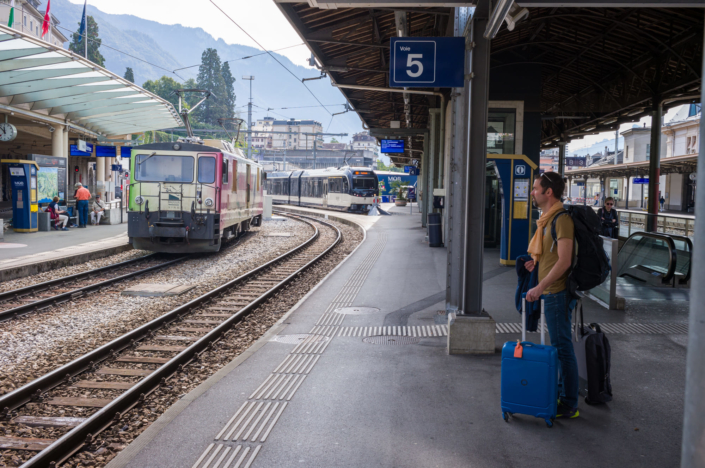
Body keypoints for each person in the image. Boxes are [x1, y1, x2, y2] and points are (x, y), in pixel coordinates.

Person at [523, 171, 579, 419]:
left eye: (536, 188)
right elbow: (553, 255)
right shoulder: (547, 219)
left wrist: (540, 286)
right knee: (560, 346)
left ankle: (568, 404)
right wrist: (537, 264)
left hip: (559, 292)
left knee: (562, 347)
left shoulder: (561, 219)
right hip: (552, 290)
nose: (533, 192)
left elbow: (565, 261)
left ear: (549, 192)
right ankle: (562, 394)